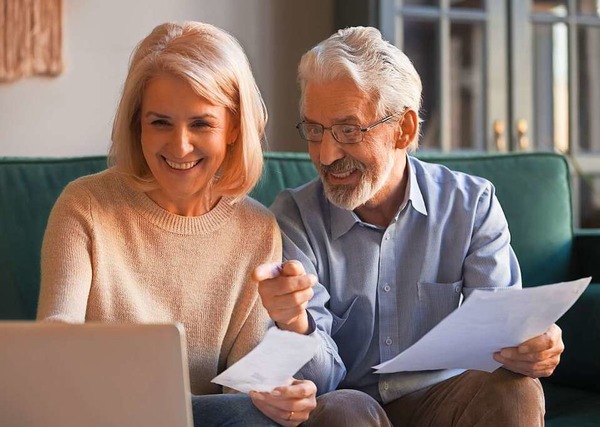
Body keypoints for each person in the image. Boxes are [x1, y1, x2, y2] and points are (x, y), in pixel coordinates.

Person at [254, 26, 564, 426]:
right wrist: (296, 323)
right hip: (351, 403)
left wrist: (531, 344)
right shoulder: (293, 217)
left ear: (404, 129)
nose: (327, 154)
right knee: (342, 411)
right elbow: (316, 382)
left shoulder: (471, 205)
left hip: (448, 399)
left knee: (516, 388)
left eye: (349, 130)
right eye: (314, 130)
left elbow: (498, 342)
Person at [37, 21, 317, 427]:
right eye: (160, 123)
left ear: (234, 128)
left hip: (209, 420)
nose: (180, 146)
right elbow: (55, 335)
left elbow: (242, 393)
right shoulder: (85, 206)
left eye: (201, 124)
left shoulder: (258, 230)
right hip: (103, 415)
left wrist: (276, 394)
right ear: (137, 123)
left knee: (254, 416)